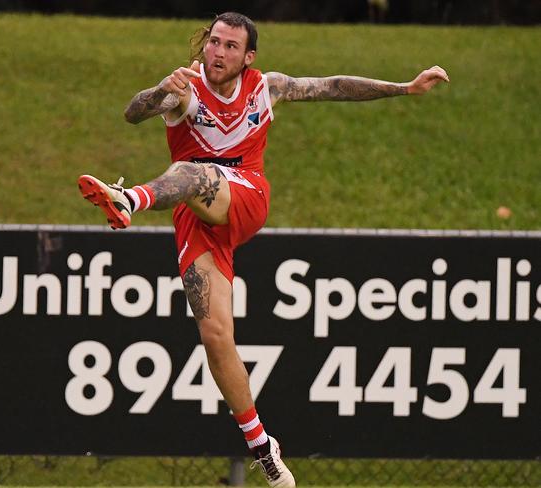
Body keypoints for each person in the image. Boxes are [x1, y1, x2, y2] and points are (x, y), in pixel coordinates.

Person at [78, 12, 449, 488]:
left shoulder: (265, 88)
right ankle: (262, 447)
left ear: (248, 56)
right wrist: (158, 92)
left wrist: (403, 87)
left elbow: (333, 86)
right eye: (214, 42)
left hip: (245, 196)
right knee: (214, 335)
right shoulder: (184, 87)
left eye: (231, 46)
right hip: (197, 214)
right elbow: (133, 113)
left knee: (193, 171)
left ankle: (128, 199)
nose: (218, 52)